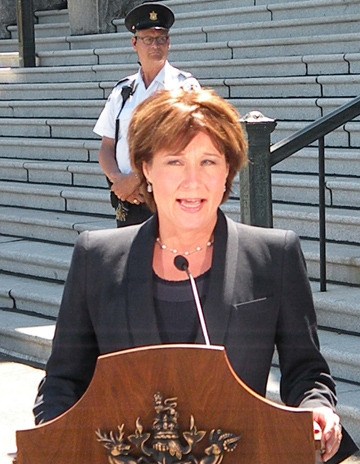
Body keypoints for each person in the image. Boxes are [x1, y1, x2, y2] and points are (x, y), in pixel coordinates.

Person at [34, 88, 357, 463]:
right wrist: (54, 441)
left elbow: (307, 372)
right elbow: (62, 382)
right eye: (174, 162)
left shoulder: (274, 255)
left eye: (208, 162)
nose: (193, 182)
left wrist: (317, 408)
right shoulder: (97, 258)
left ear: (227, 173)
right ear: (147, 170)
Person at [93, 1, 200, 227]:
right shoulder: (123, 90)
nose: (155, 45)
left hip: (168, 198)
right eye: (148, 39)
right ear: (135, 43)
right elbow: (106, 146)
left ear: (169, 42)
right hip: (128, 201)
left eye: (161, 39)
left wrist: (134, 180)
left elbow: (188, 147)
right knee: (130, 261)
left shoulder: (185, 88)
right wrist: (119, 183)